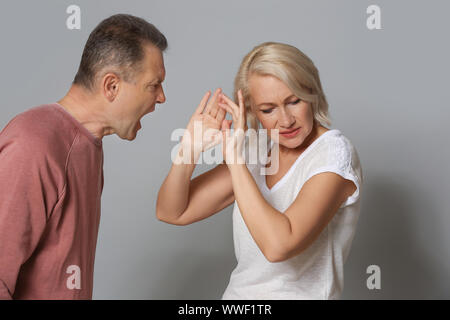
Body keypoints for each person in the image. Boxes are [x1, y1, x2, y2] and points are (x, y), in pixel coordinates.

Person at [156, 42, 363, 299]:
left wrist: (234, 157)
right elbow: (171, 211)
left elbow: (278, 246)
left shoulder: (333, 154)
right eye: (268, 109)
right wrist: (189, 149)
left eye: (294, 101)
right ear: (251, 110)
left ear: (313, 94)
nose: (286, 120)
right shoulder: (257, 148)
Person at [0, 14, 167, 299]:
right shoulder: (33, 143)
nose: (161, 97)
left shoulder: (89, 147)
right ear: (111, 86)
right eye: (153, 85)